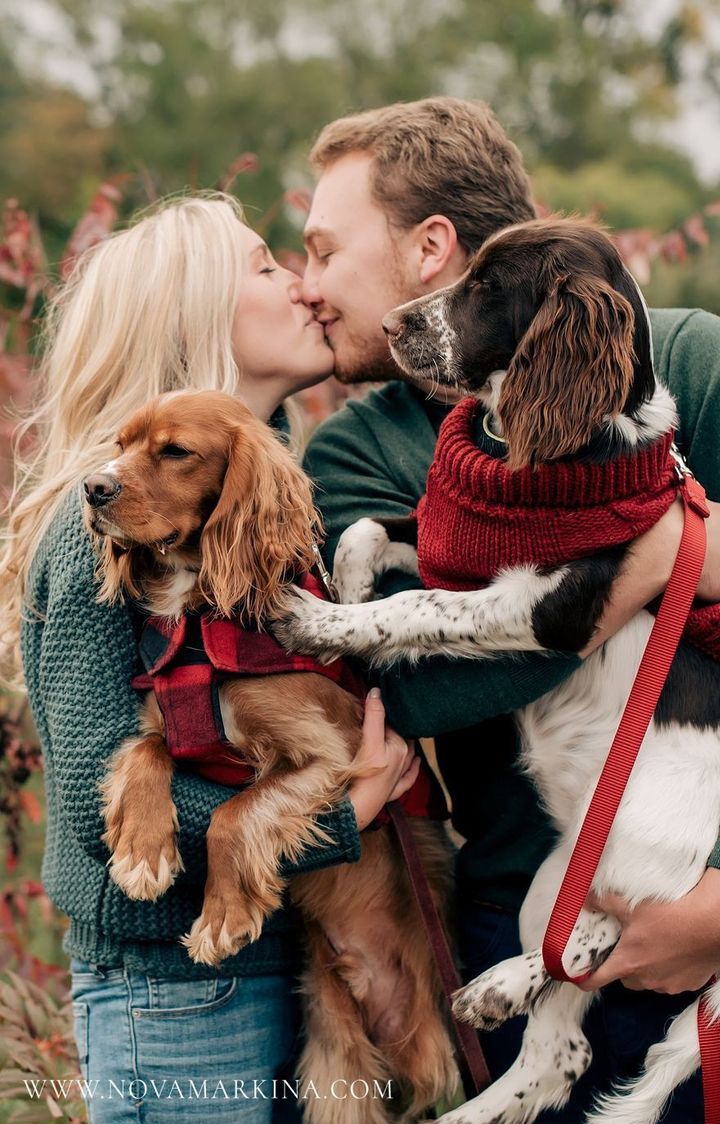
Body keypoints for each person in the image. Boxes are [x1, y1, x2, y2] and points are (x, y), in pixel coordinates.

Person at [301, 97, 720, 1119]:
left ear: (433, 247)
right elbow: (397, 686)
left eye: (323, 250)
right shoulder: (355, 452)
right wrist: (642, 564)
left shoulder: (698, 363)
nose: (307, 286)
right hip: (518, 921)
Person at [0, 193, 418, 1123]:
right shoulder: (98, 522)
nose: (304, 285)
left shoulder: (262, 513)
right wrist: (343, 815)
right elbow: (86, 793)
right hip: (172, 993)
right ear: (196, 319)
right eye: (267, 267)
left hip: (284, 951)